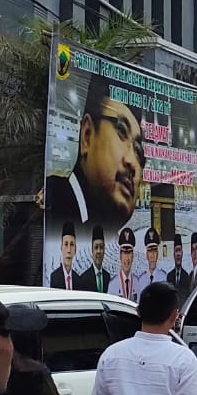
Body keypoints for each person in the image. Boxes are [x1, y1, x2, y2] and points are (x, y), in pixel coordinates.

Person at [45, 74, 144, 228]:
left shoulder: (112, 239)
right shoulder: (54, 204)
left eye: (138, 151)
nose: (132, 161)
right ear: (87, 135)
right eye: (122, 131)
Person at [76, 225, 112, 294]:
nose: (98, 251)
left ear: (104, 250)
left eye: (101, 247)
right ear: (92, 251)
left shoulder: (108, 277)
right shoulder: (83, 279)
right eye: (96, 247)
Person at [132, 227, 162, 301]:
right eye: (149, 251)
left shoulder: (164, 278)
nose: (152, 256)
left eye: (154, 251)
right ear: (146, 254)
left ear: (158, 254)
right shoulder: (140, 280)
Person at [50, 221, 79, 290]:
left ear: (75, 249)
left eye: (72, 245)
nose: (69, 250)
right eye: (66, 244)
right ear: (61, 247)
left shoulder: (78, 279)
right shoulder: (54, 277)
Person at [113, 226, 138, 301]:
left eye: (129, 253)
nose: (127, 258)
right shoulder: (112, 285)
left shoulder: (137, 283)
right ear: (120, 256)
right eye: (124, 253)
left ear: (133, 256)